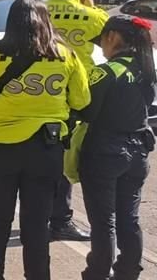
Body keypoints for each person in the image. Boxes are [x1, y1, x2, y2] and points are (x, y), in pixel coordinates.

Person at [0, 0, 90, 280]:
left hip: (0, 149)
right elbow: (82, 99)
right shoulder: (66, 55)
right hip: (45, 149)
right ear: (45, 22)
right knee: (37, 223)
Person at [78, 14, 156, 280]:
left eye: (102, 41)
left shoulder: (105, 72)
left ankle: (97, 273)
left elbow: (87, 112)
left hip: (105, 153)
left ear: (111, 37)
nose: (102, 48)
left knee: (103, 222)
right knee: (129, 218)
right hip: (138, 152)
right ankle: (127, 272)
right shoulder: (146, 71)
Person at [47, 0, 108, 242]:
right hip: (72, 96)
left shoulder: (39, 11)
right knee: (64, 158)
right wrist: (90, 6)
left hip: (37, 92)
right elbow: (111, 43)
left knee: (35, 155)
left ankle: (36, 214)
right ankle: (60, 221)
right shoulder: (93, 16)